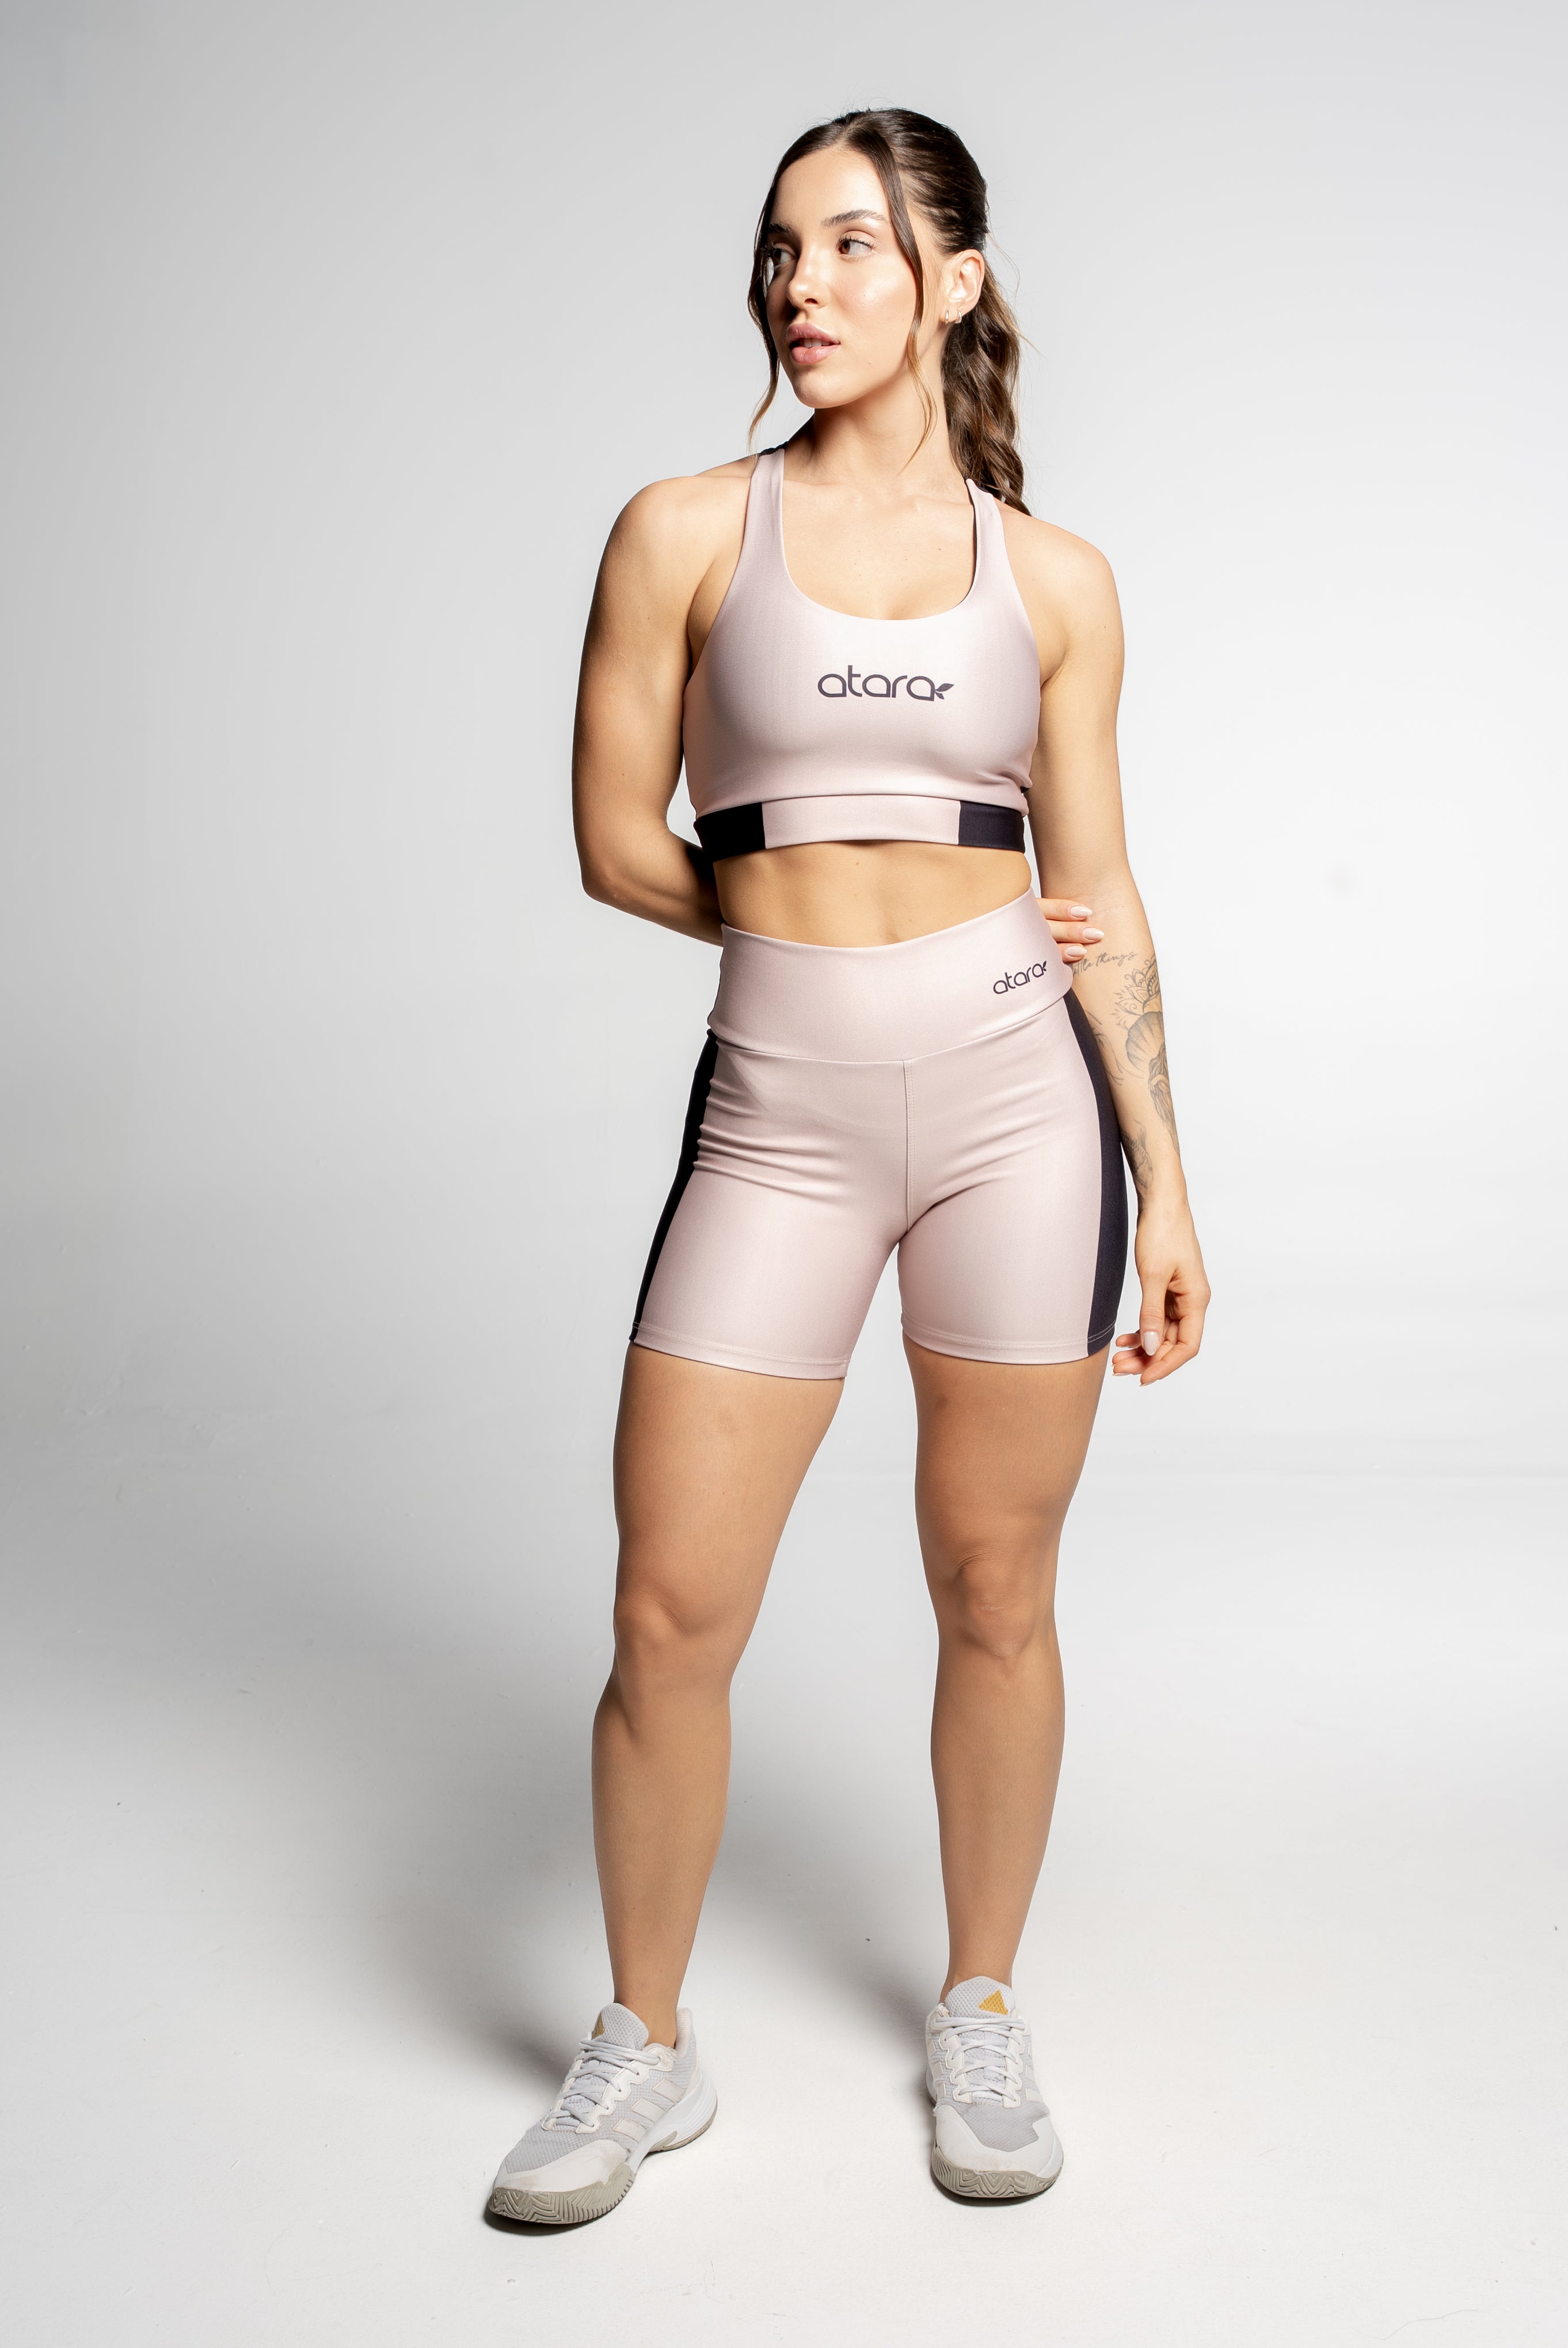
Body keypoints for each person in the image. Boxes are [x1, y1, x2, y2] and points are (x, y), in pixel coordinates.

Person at [488, 107, 1208, 2225]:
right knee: (667, 1607)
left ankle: (978, 2005)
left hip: (1019, 1117)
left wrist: (1167, 1180)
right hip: (778, 1118)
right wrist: (809, 929)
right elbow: (615, 838)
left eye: (852, 246)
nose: (801, 286)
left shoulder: (1052, 579)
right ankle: (643, 2044)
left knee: (994, 1588)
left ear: (952, 282)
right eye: (779, 250)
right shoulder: (680, 533)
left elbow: (1098, 893)